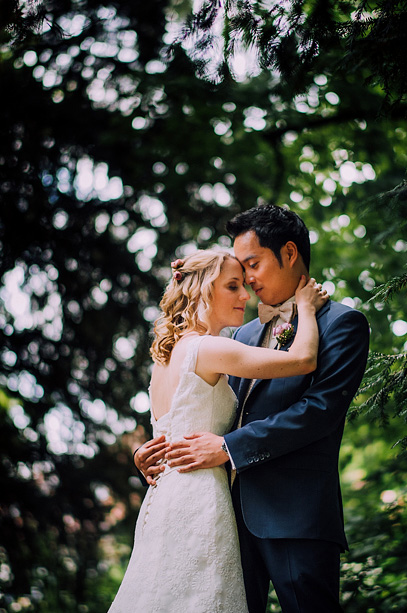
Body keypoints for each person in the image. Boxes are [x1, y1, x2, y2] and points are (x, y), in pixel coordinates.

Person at [136, 205, 371, 613]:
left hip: (295, 516)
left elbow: (318, 411)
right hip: (222, 517)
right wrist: (154, 448)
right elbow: (199, 402)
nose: (247, 279)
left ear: (290, 253)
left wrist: (228, 448)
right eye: (240, 270)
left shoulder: (343, 325)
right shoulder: (240, 332)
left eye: (253, 264)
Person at [109, 248, 329, 612]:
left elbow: (172, 425)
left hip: (164, 497)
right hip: (199, 497)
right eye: (232, 286)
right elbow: (302, 360)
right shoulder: (206, 348)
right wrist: (305, 308)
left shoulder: (166, 356)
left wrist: (141, 453)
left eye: (244, 285)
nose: (246, 295)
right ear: (201, 291)